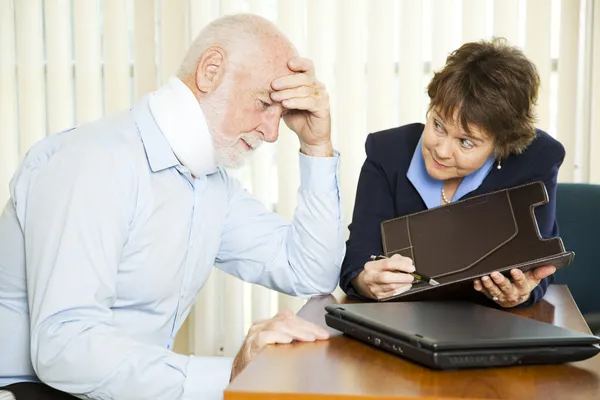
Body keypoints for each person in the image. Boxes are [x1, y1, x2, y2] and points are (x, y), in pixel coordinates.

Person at [0, 14, 344, 400]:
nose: (272, 132)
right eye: (264, 103)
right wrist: (232, 374)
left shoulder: (210, 184)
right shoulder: (92, 163)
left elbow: (311, 273)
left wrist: (316, 145)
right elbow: (64, 348)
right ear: (211, 71)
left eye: (279, 115)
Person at [340, 38, 564, 307]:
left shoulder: (537, 159)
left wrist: (520, 294)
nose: (442, 151)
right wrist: (366, 281)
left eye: (466, 142)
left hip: (488, 321)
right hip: (400, 318)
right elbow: (358, 259)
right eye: (438, 125)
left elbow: (537, 267)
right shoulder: (386, 152)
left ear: (501, 144)